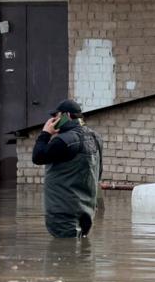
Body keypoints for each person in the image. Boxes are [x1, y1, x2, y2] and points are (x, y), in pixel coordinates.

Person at [32, 99, 103, 238]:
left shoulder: (63, 141)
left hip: (63, 214)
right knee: (81, 252)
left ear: (67, 116)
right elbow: (99, 172)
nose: (52, 120)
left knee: (65, 252)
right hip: (87, 213)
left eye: (56, 117)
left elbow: (37, 156)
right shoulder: (95, 138)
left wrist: (45, 133)